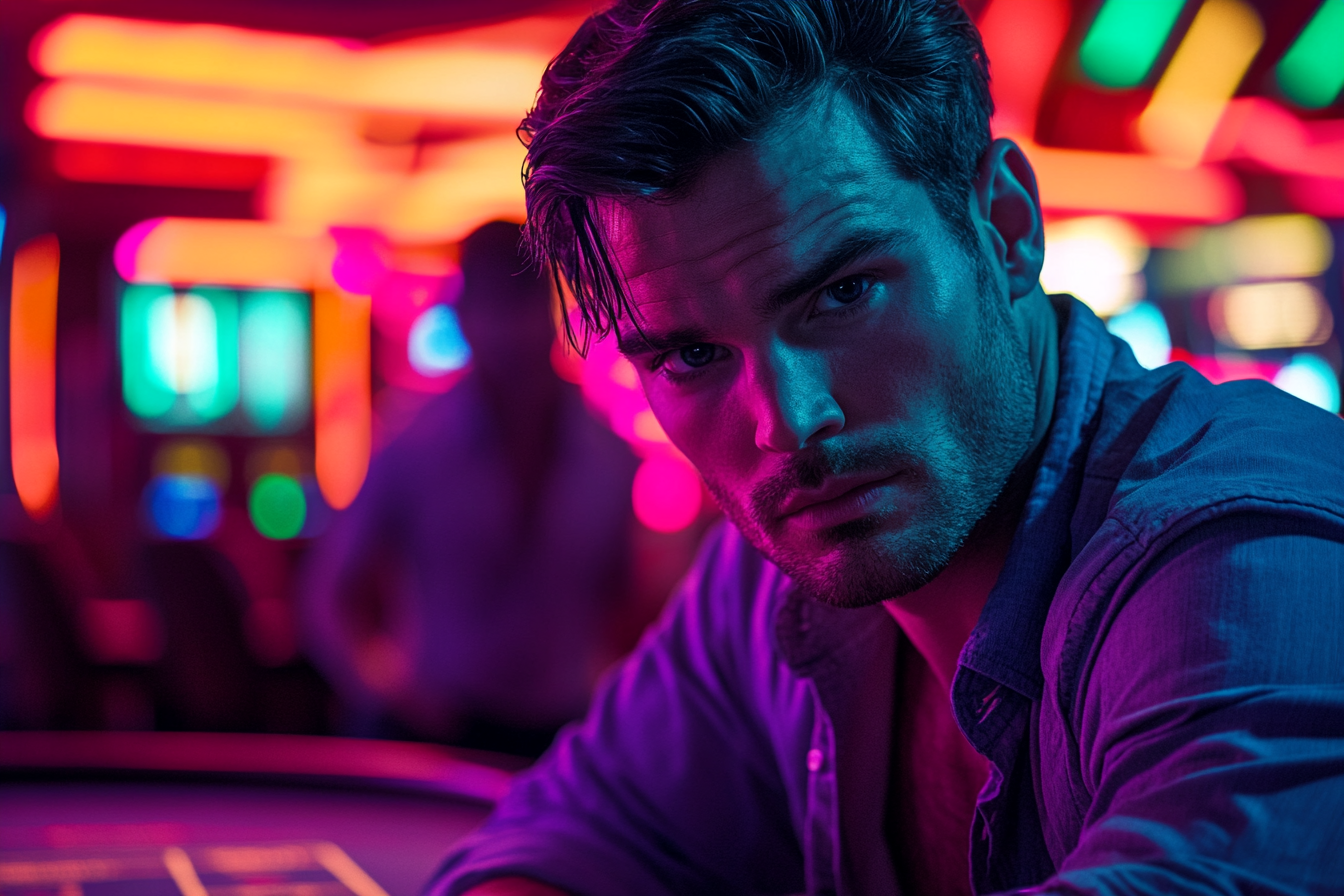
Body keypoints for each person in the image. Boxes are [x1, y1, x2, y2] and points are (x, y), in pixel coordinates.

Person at [429, 1, 1344, 893]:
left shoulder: (1246, 556)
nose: (786, 425)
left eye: (843, 294)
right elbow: (561, 840)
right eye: (694, 355)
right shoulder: (782, 565)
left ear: (1007, 224)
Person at [301, 221, 641, 757]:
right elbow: (329, 595)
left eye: (521, 304)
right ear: (463, 317)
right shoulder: (413, 444)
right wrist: (383, 692)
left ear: (550, 312)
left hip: (565, 737)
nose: (510, 329)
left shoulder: (609, 454)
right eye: (492, 308)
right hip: (438, 730)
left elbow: (628, 600)